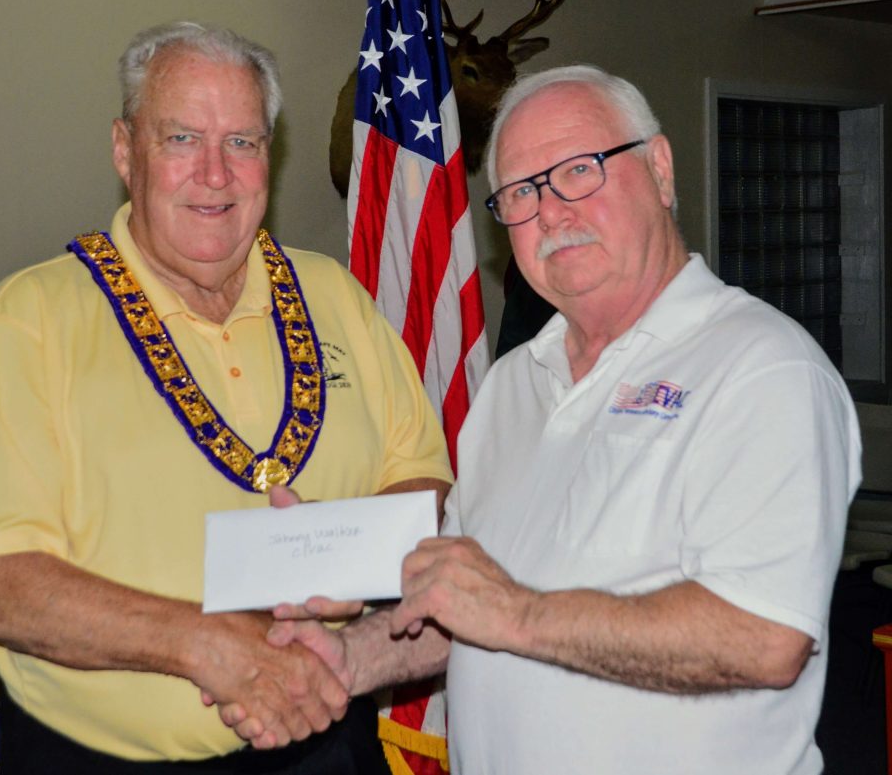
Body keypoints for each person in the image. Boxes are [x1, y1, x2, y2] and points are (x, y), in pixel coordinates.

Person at [240, 65, 862, 774]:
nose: (552, 213)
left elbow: (765, 638)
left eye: (579, 171)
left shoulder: (762, 367)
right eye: (521, 193)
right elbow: (461, 611)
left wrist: (518, 612)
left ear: (659, 169)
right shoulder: (511, 387)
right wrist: (347, 658)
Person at [0, 21, 452, 774]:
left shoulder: (336, 294)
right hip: (104, 759)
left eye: (242, 142)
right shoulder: (30, 317)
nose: (215, 174)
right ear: (126, 151)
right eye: (182, 139)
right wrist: (205, 642)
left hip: (326, 741)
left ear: (271, 155)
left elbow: (420, 482)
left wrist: (354, 562)